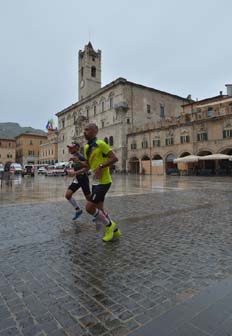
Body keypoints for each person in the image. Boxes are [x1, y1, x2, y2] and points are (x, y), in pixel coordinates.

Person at [80, 123, 121, 242]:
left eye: (87, 130)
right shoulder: (87, 147)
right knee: (100, 210)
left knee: (89, 208)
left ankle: (109, 226)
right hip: (95, 182)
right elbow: (88, 165)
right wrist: (78, 162)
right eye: (84, 130)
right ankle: (114, 230)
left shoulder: (101, 144)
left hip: (104, 181)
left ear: (94, 131)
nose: (85, 132)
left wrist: (101, 166)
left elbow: (114, 158)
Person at [65, 142, 91, 220]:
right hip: (77, 179)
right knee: (68, 195)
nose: (69, 149)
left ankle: (99, 213)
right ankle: (78, 210)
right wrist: (70, 172)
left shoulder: (81, 157)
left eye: (71, 147)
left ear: (77, 148)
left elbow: (87, 168)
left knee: (89, 199)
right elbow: (76, 167)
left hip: (83, 179)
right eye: (69, 147)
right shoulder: (74, 157)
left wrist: (75, 173)